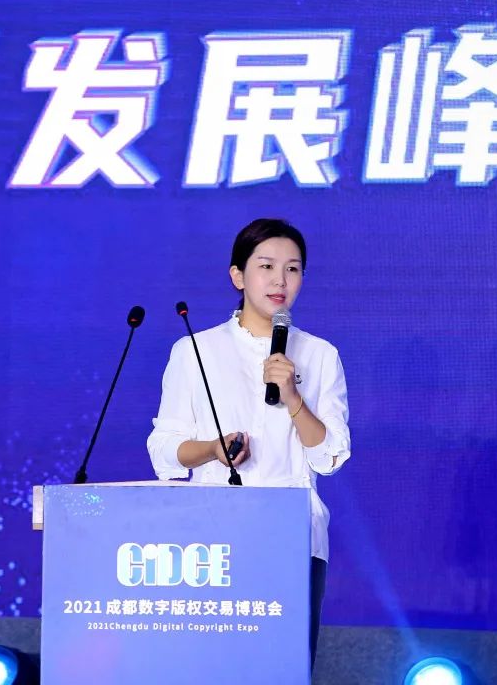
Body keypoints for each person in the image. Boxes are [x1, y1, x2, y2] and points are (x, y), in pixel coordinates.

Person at [146, 218, 351, 670]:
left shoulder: (320, 355)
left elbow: (331, 455)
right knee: (209, 668)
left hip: (293, 536)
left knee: (282, 668)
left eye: (293, 269)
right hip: (211, 541)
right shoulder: (195, 350)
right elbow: (164, 449)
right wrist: (212, 449)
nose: (280, 280)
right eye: (266, 266)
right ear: (238, 276)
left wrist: (293, 397)